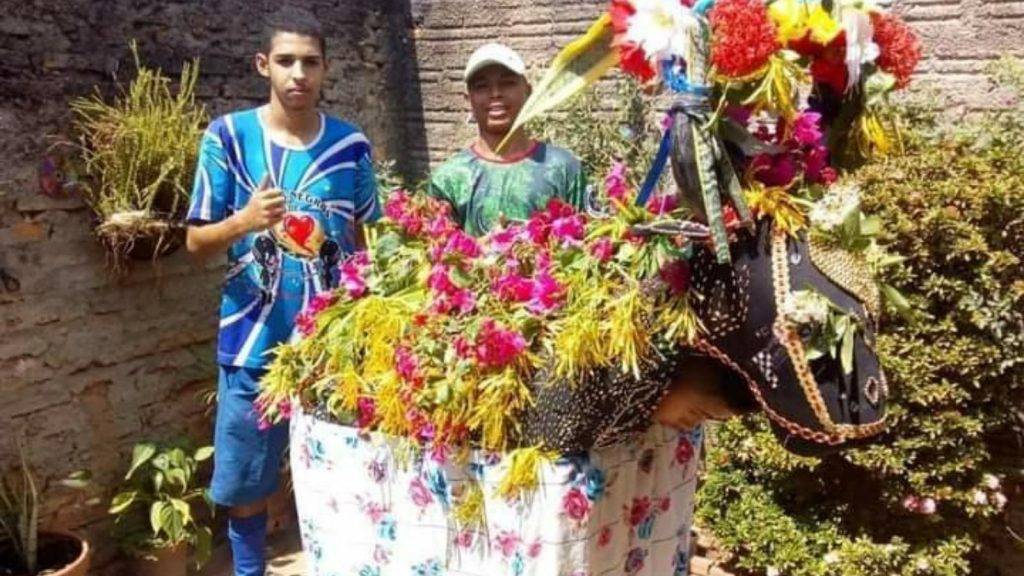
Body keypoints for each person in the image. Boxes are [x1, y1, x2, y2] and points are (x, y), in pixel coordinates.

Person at [289, 42, 756, 576]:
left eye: (505, 83)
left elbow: (587, 246)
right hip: (479, 341)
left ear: (527, 90)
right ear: (468, 98)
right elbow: (434, 262)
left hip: (554, 335)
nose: (495, 96)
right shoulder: (452, 177)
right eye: (482, 86)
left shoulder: (561, 167)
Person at [184, 8, 380, 575]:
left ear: (326, 69)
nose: (299, 74)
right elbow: (196, 241)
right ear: (263, 65)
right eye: (287, 61)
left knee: (347, 468)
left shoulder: (351, 146)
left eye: (311, 63)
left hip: (335, 347)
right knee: (248, 478)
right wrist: (243, 221)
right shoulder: (228, 138)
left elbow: (372, 236)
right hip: (252, 344)